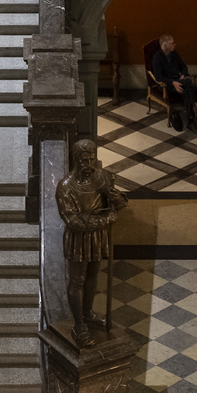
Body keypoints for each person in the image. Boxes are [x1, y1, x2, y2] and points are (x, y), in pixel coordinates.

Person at [56, 140, 128, 345]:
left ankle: (87, 313)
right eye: (84, 160)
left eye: (91, 159)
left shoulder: (102, 177)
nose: (88, 164)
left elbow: (118, 203)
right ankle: (79, 326)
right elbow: (72, 219)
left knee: (93, 274)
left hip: (97, 236)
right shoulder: (66, 186)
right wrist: (105, 220)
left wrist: (118, 200)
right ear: (76, 160)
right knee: (77, 279)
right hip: (78, 238)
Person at [152, 34, 197, 133]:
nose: (175, 45)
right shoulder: (157, 58)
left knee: (186, 89)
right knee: (188, 83)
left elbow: (184, 67)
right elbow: (159, 77)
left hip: (179, 81)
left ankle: (190, 120)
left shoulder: (174, 54)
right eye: (172, 43)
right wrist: (173, 82)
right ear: (165, 45)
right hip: (166, 85)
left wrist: (183, 75)